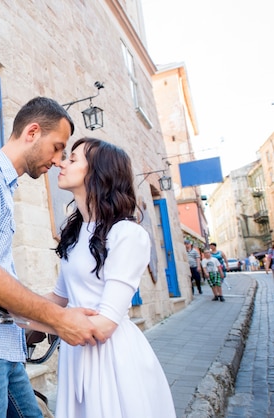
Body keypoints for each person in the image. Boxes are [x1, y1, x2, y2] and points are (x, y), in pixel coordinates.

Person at [0, 97, 105, 418]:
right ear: (32, 132)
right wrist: (58, 318)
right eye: (56, 147)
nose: (57, 161)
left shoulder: (1, 184)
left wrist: (35, 322)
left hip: (0, 348)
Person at [47, 137, 175, 417]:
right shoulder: (75, 234)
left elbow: (105, 325)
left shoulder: (127, 234)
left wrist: (42, 321)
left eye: (73, 159)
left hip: (110, 358)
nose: (62, 163)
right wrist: (10, 309)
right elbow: (58, 298)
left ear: (97, 173)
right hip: (75, 353)